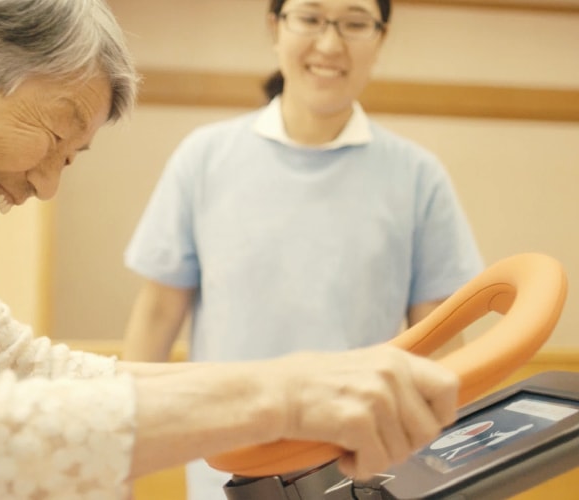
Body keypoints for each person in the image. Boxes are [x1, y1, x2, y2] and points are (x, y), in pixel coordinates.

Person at [0, 0, 461, 498]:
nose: (46, 185)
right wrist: (281, 394)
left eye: (69, 161)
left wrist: (299, 384)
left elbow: (29, 369)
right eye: (53, 135)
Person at [122, 0, 484, 498]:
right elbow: (157, 314)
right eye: (310, 17)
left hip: (363, 474)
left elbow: (440, 343)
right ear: (275, 27)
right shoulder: (203, 158)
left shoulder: (418, 176)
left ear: (380, 37)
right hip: (226, 472)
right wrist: (121, 463)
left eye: (355, 23)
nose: (330, 44)